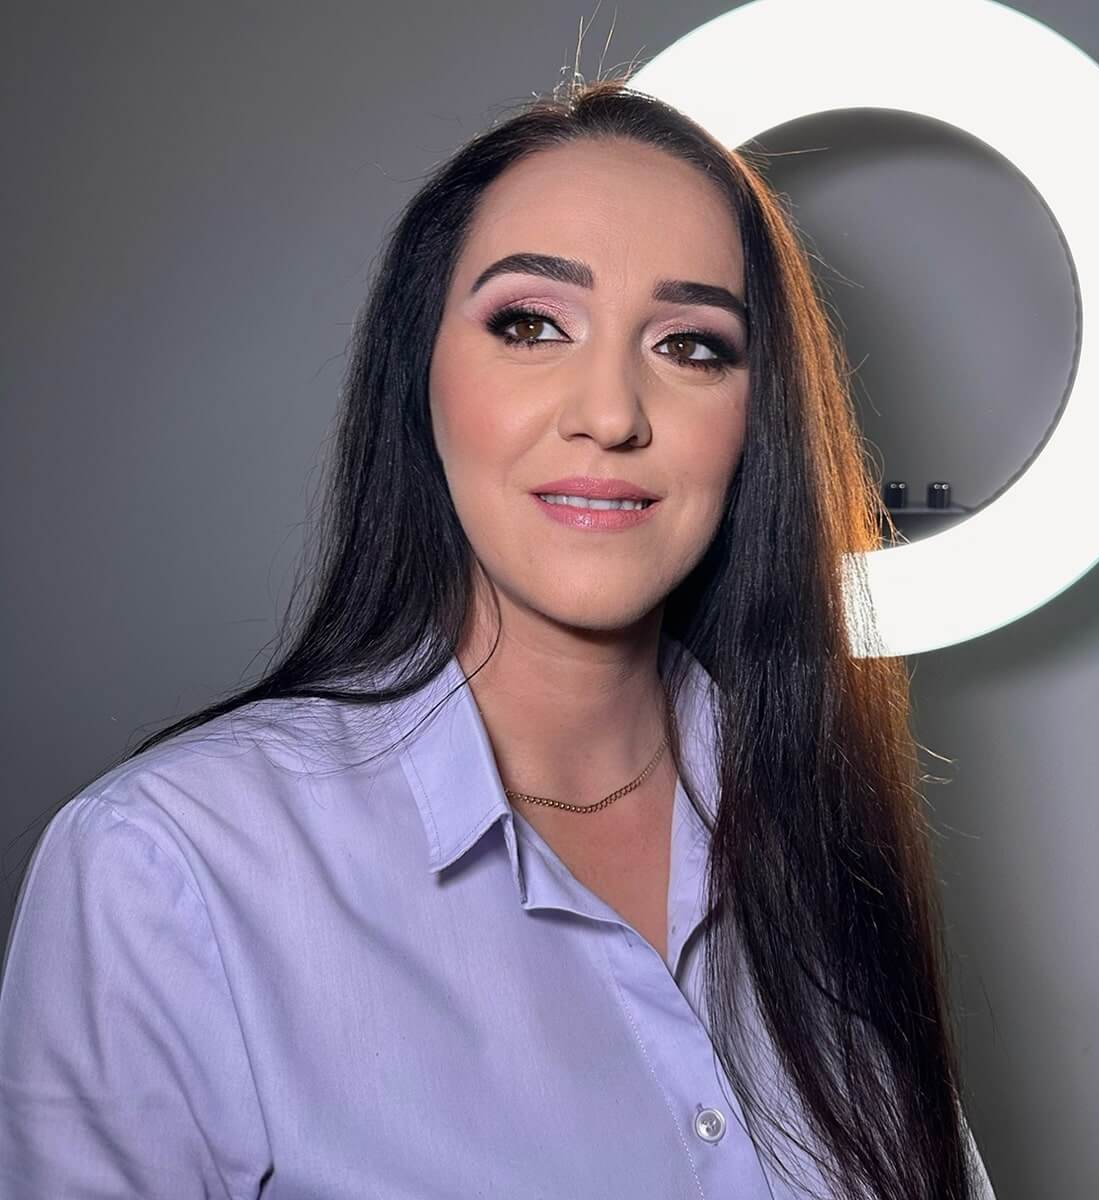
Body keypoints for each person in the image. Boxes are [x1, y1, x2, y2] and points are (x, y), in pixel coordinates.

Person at [0, 75, 996, 1199]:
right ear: (420, 374)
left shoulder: (817, 829)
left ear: (756, 420)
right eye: (530, 325)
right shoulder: (166, 867)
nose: (610, 414)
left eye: (691, 346)